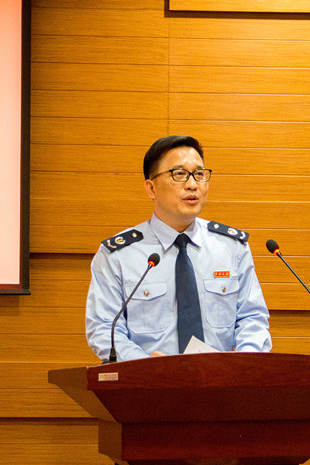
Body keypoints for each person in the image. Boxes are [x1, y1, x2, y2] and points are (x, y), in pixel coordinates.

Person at [85, 135, 272, 361]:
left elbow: (252, 318)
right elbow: (104, 328)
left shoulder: (231, 247)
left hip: (220, 380)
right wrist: (143, 365)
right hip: (148, 380)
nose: (192, 184)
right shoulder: (118, 255)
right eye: (179, 174)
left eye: (199, 174)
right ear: (151, 188)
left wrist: (244, 365)